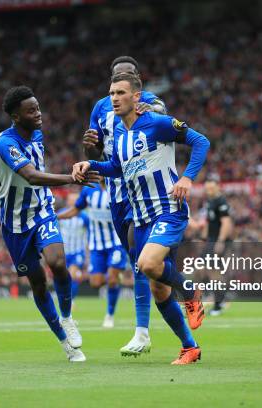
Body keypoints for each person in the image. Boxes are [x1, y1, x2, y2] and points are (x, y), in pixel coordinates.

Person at [73, 72, 211, 364]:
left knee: (146, 263)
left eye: (121, 93)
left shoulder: (158, 123)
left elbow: (201, 142)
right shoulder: (121, 137)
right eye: (111, 93)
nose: (114, 98)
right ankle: (190, 347)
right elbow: (117, 168)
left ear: (137, 97)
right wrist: (90, 163)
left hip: (168, 210)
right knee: (158, 287)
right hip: (143, 217)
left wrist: (187, 178)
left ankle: (190, 291)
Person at [0, 85, 99, 362]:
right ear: (16, 116)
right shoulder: (6, 143)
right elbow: (31, 175)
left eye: (38, 108)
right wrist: (71, 179)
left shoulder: (37, 134)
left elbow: (37, 180)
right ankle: (65, 343)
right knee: (38, 284)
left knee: (58, 263)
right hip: (15, 224)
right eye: (31, 110)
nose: (38, 114)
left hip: (42, 211)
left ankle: (67, 317)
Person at [83, 56, 166, 356]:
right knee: (138, 261)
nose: (120, 84)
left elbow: (162, 119)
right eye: (115, 79)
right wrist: (88, 144)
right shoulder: (100, 108)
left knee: (138, 251)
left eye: (127, 76)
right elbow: (98, 150)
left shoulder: (150, 101)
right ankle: (175, 289)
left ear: (136, 81)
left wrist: (149, 110)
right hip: (115, 191)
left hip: (142, 189)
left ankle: (141, 331)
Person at [59, 178, 128, 329]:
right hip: (96, 245)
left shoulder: (118, 187)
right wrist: (57, 216)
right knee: (95, 282)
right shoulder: (89, 190)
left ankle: (109, 315)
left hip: (116, 242)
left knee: (111, 280)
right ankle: (116, 276)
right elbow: (76, 209)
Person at [203, 180, 234, 315]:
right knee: (211, 270)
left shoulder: (221, 201)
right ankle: (219, 299)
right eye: (207, 188)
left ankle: (219, 303)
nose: (209, 190)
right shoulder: (211, 201)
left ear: (217, 188)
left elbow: (226, 222)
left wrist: (220, 240)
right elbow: (210, 223)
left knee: (215, 271)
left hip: (218, 240)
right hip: (211, 240)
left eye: (211, 188)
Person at [58, 192, 89, 300]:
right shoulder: (60, 215)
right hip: (63, 252)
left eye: (76, 199)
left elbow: (88, 234)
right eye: (72, 199)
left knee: (72, 275)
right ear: (67, 201)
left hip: (77, 251)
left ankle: (71, 300)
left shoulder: (84, 217)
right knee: (63, 277)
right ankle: (65, 299)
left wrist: (87, 254)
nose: (74, 201)